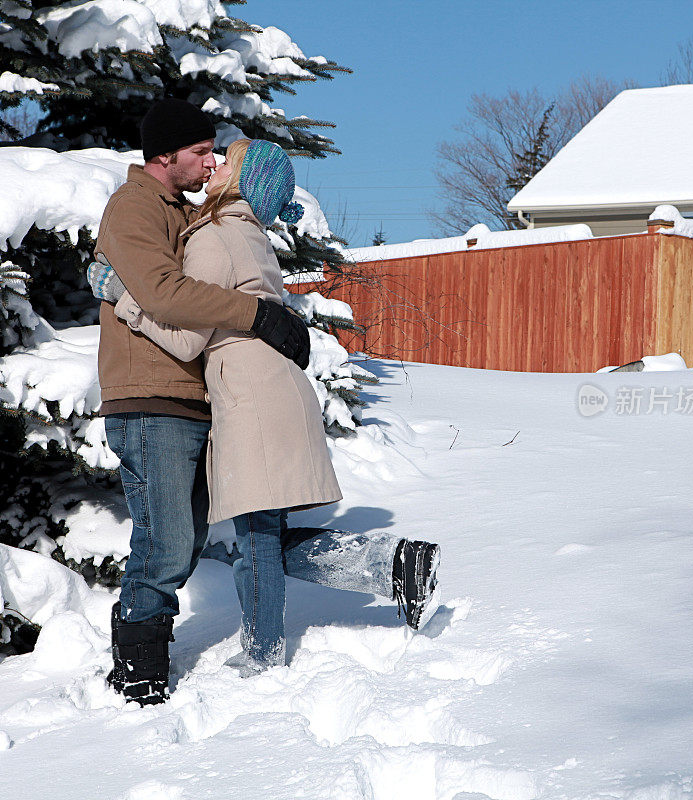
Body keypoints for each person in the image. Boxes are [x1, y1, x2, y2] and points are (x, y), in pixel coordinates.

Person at [91, 125, 440, 694]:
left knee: (251, 537)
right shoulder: (247, 233)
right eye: (207, 156)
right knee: (250, 532)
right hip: (269, 389)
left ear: (241, 184)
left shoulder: (212, 237)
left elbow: (184, 340)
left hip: (247, 395)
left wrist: (118, 294)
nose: (212, 168)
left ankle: (259, 657)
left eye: (222, 161)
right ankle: (389, 566)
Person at [93, 98, 311, 707]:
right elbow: (165, 294)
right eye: (199, 151)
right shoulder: (134, 206)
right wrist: (256, 313)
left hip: (187, 397)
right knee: (164, 544)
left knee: (184, 541)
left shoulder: (181, 213)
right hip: (149, 398)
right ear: (164, 156)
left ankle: (139, 659)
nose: (210, 160)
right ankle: (138, 675)